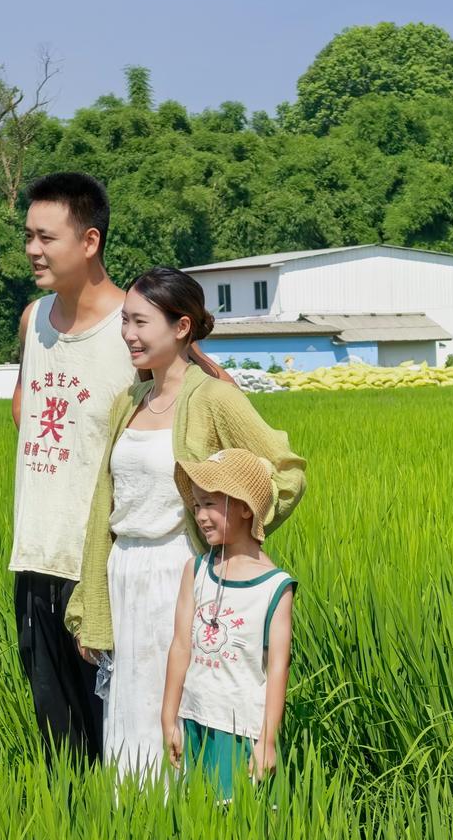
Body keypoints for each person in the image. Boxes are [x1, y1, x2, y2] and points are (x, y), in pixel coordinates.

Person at [65, 266, 305, 780]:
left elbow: (285, 470)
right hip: (123, 574)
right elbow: (103, 506)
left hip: (180, 574)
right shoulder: (128, 402)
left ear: (181, 327)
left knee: (175, 714)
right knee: (129, 719)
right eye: (124, 322)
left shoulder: (213, 398)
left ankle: (185, 836)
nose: (128, 334)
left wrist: (239, 536)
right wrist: (89, 600)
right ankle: (135, 835)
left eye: (141, 322)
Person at [10, 173, 136, 766]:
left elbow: (211, 398)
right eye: (28, 235)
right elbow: (23, 409)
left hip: (106, 570)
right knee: (61, 751)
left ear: (89, 241)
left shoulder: (134, 326)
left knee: (117, 744)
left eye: (46, 237)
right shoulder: (33, 319)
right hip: (36, 559)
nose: (33, 249)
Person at [161, 449, 296, 799]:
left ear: (245, 507)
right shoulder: (196, 571)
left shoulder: (274, 587)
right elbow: (180, 645)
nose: (201, 516)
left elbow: (278, 668)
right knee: (197, 817)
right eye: (196, 506)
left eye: (209, 504)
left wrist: (267, 740)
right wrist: (169, 716)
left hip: (240, 730)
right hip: (195, 720)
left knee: (238, 823)